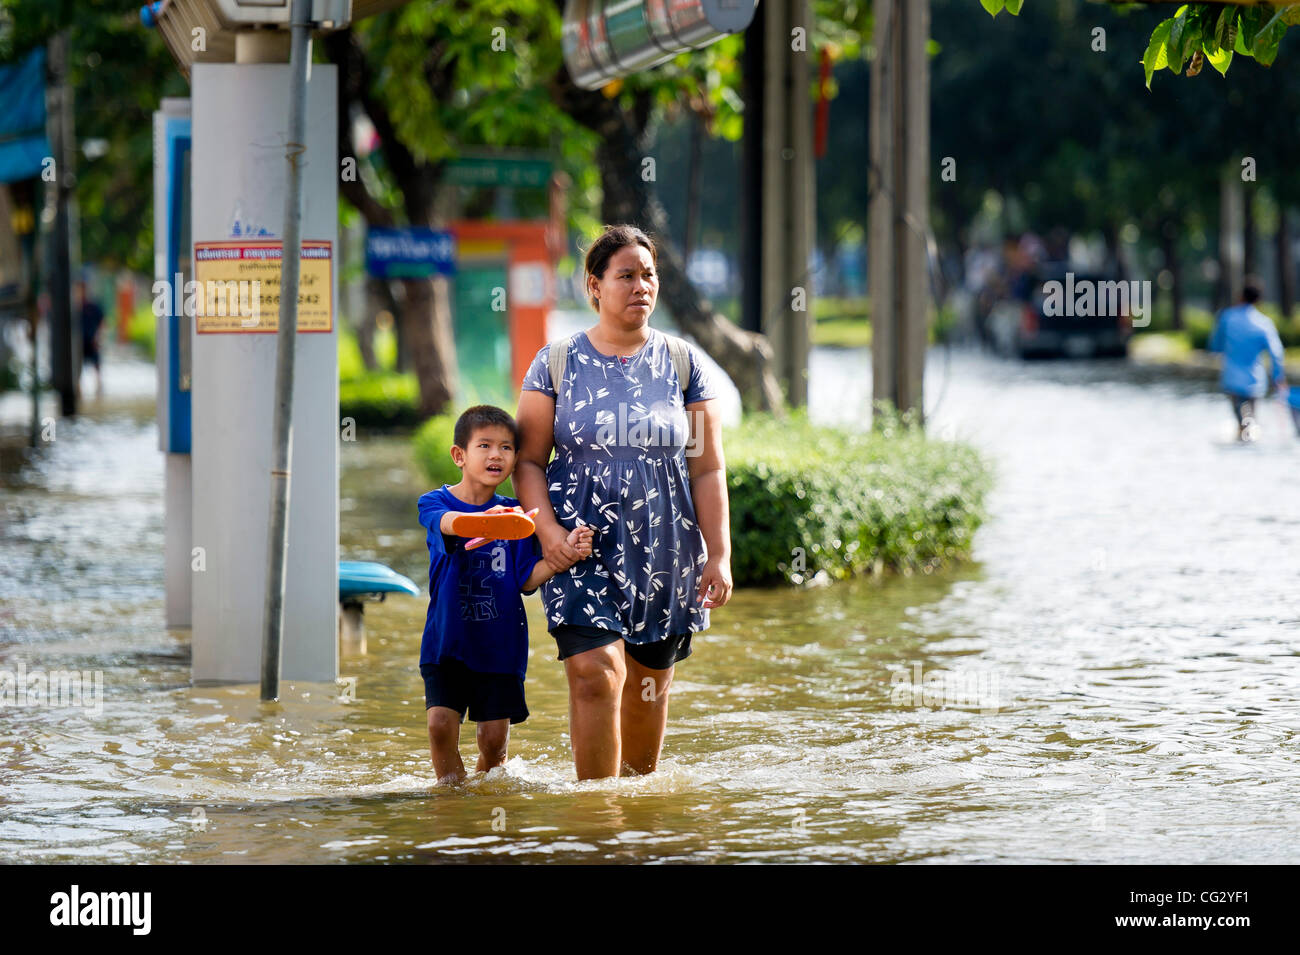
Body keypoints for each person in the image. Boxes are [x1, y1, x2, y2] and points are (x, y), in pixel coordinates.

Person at [514, 223, 733, 781]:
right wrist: (549, 537)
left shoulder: (684, 365)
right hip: (576, 545)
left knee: (646, 688)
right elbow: (528, 461)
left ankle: (634, 823)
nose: (641, 286)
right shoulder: (555, 363)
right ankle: (598, 822)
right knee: (594, 672)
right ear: (594, 285)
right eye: (626, 275)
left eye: (648, 275)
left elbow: (706, 467)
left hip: (664, 554)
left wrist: (719, 554)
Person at [416, 404, 594, 785]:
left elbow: (528, 579)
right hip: (446, 643)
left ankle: (484, 803)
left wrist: (568, 551)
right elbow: (449, 525)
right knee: (439, 726)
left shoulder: (519, 515)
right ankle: (451, 800)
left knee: (493, 742)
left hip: (500, 647)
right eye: (485, 446)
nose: (496, 455)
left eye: (507, 448)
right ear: (459, 455)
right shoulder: (435, 503)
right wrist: (494, 523)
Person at [1208, 277, 1289, 442]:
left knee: (1243, 421)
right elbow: (1276, 353)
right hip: (1255, 381)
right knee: (1250, 419)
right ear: (1259, 300)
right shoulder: (1264, 324)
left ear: (1241, 296)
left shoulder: (1227, 318)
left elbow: (1215, 345)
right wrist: (1277, 377)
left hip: (1232, 380)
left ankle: (1243, 443)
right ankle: (1248, 445)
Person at [78, 279, 105, 398]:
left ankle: (99, 390)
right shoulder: (75, 307)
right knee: (78, 369)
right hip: (79, 343)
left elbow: (102, 323)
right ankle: (79, 392)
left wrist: (98, 337)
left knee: (97, 368)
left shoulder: (93, 307)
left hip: (92, 342)